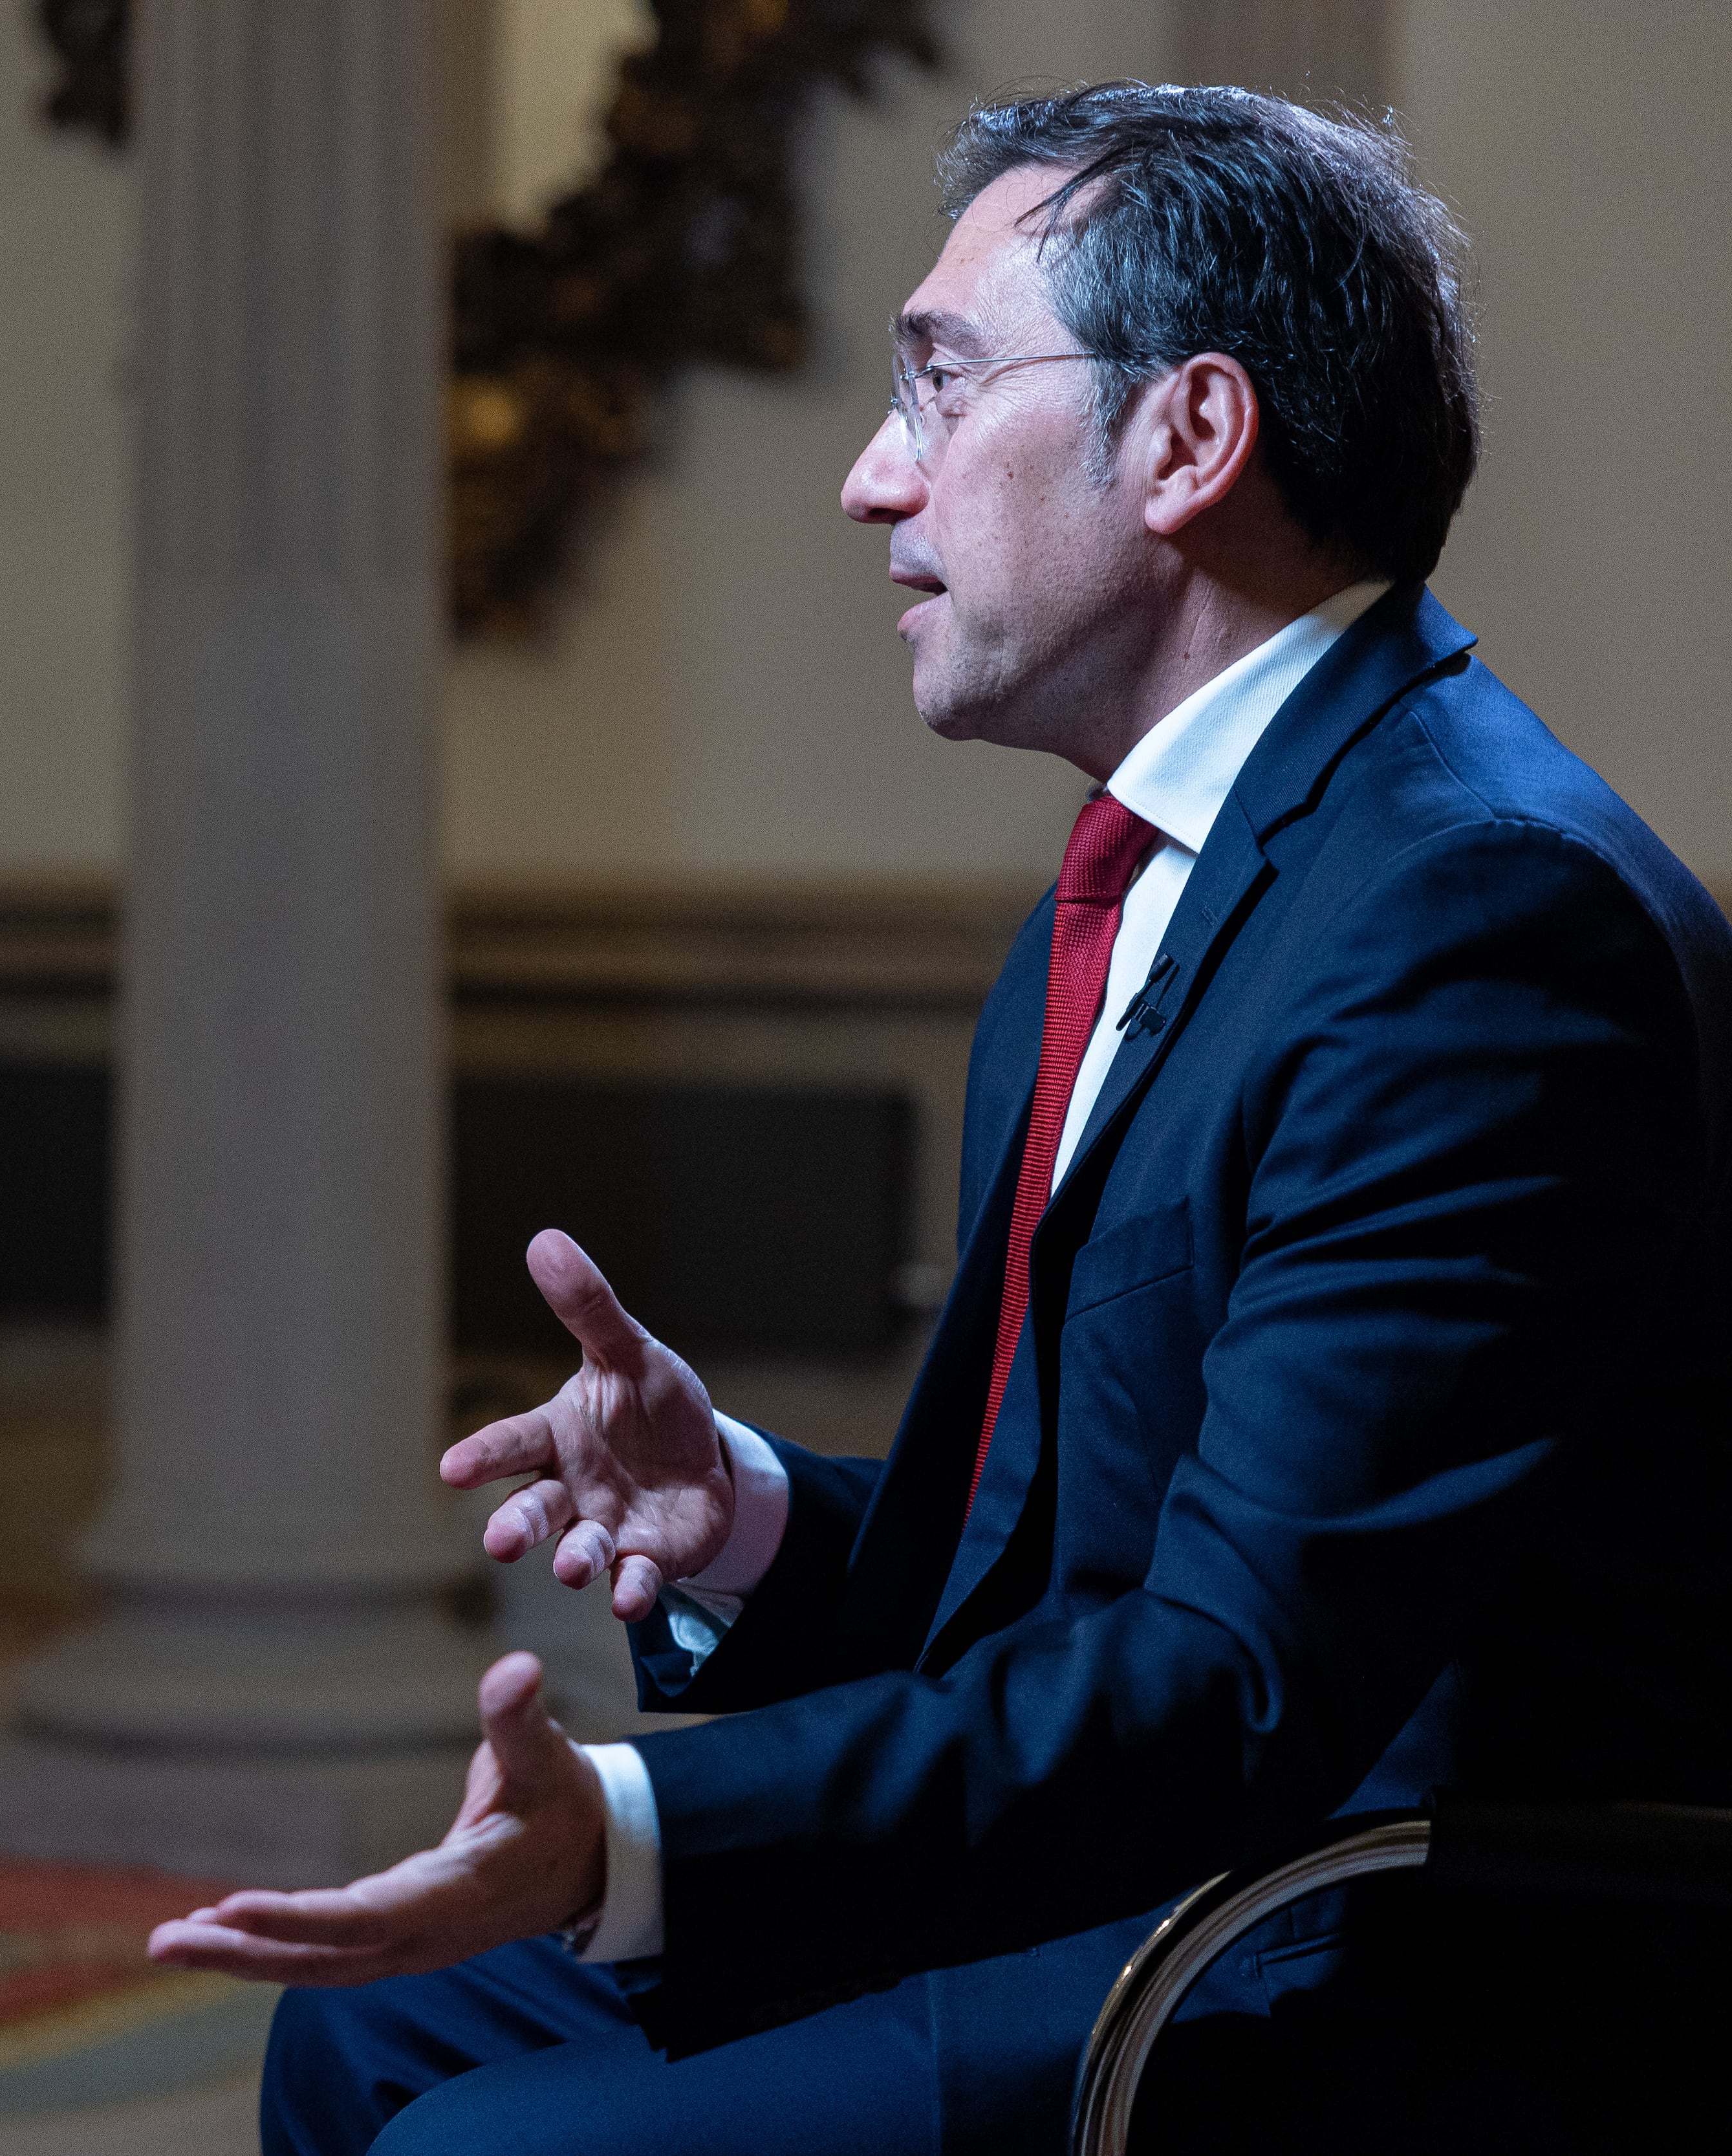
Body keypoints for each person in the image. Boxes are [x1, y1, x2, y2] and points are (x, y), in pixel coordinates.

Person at [151, 82, 1732, 2155]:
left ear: (1189, 438)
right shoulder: (1173, 865)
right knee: (363, 2037)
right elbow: (1097, 1554)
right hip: (1158, 1862)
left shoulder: (1473, 915)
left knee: (483, 2148)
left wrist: (629, 1830)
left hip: (1350, 1947)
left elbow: (1237, 1681)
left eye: (942, 378)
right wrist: (756, 1523)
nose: (868, 478)